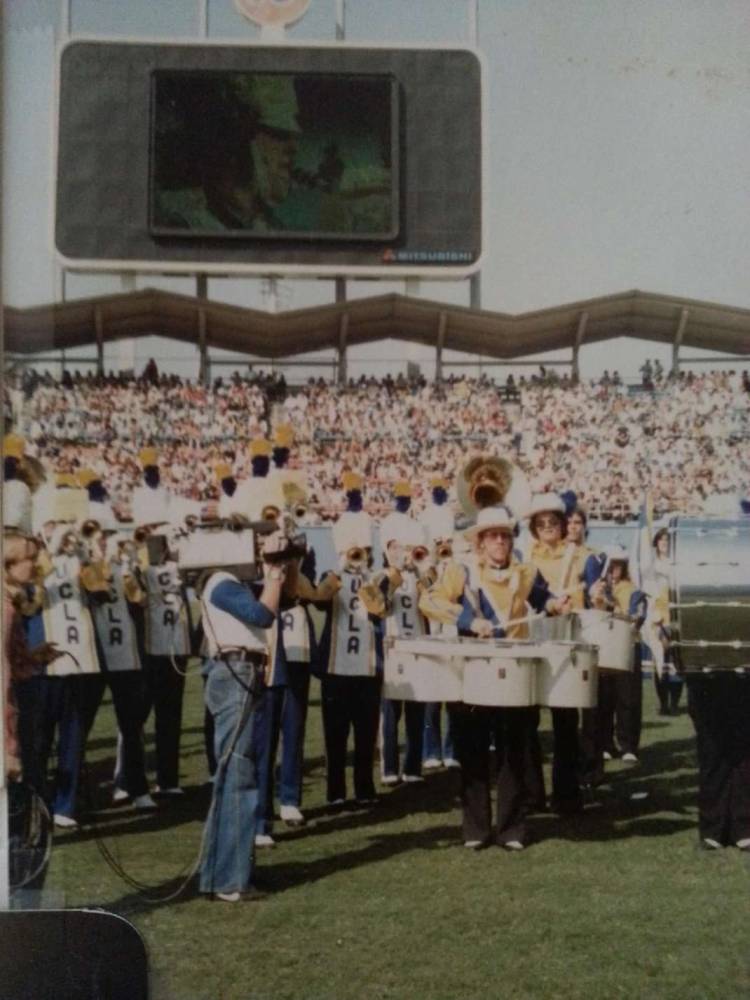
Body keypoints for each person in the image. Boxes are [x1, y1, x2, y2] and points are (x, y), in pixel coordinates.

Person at [420, 504, 568, 850]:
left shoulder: (525, 572)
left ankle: (511, 828)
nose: (500, 541)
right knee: (472, 751)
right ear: (480, 543)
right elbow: (430, 600)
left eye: (504, 535)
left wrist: (555, 604)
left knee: (513, 751)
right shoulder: (462, 572)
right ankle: (475, 828)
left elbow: (543, 599)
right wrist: (468, 621)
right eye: (493, 536)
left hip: (513, 671)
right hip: (470, 670)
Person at [198, 528, 288, 901]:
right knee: (239, 774)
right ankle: (232, 882)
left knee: (235, 773)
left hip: (239, 671)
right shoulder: (222, 582)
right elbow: (262, 615)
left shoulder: (228, 584)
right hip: (236, 671)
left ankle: (221, 875)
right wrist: (274, 575)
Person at [525, 493, 581, 814]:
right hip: (534, 640)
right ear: (534, 527)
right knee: (527, 720)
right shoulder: (524, 558)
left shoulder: (577, 555)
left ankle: (567, 794)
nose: (547, 527)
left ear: (562, 525)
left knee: (565, 722)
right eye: (541, 522)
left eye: (553, 522)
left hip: (566, 640)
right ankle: (533, 795)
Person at [586, 546, 646, 764]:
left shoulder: (634, 590)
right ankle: (605, 743)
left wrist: (610, 602)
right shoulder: (595, 588)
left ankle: (628, 745)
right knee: (603, 698)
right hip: (603, 647)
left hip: (627, 646)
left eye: (618, 565)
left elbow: (637, 616)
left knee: (628, 698)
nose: (614, 569)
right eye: (611, 565)